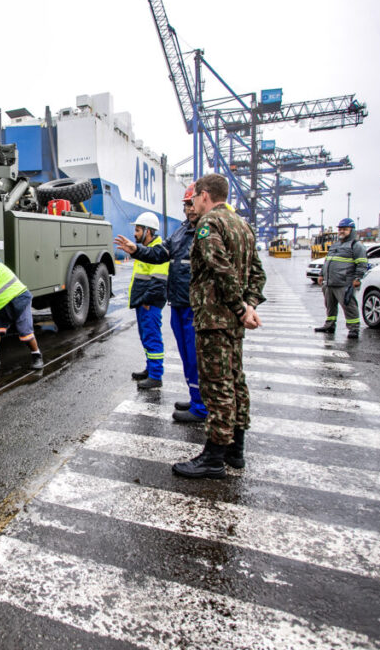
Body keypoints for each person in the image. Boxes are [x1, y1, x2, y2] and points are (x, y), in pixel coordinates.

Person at [173, 174, 266, 479]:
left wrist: (240, 308)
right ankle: (235, 450)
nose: (194, 204)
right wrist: (248, 306)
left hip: (214, 318)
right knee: (236, 381)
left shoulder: (208, 224)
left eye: (195, 198)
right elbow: (257, 273)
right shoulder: (243, 226)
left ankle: (213, 457)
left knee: (217, 387)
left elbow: (219, 266)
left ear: (204, 195)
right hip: (233, 322)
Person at [115, 185, 207, 421]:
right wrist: (135, 250)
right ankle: (196, 399)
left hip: (187, 304)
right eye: (185, 205)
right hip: (178, 302)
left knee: (194, 355)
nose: (187, 209)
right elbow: (160, 256)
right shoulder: (181, 232)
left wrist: (149, 300)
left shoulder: (207, 230)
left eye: (190, 203)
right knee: (187, 355)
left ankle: (200, 405)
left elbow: (158, 278)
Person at [114, 212, 169, 389]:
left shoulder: (158, 250)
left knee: (152, 338)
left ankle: (155, 376)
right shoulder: (146, 251)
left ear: (148, 231)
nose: (135, 234)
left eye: (138, 230)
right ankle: (150, 368)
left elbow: (159, 280)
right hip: (144, 303)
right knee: (146, 337)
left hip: (149, 304)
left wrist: (146, 300)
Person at [314, 218, 368, 339]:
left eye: (344, 229)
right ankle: (330, 325)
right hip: (329, 282)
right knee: (330, 306)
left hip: (344, 283)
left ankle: (354, 329)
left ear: (352, 230)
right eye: (340, 229)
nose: (341, 231)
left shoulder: (356, 245)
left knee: (349, 306)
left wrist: (357, 278)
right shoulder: (335, 245)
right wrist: (321, 274)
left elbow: (362, 263)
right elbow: (327, 260)